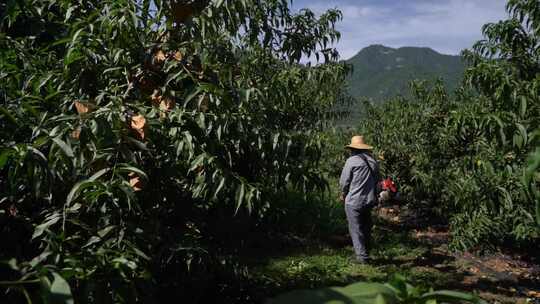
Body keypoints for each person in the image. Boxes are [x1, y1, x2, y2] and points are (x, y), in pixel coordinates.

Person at [339, 135, 379, 264]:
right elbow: (377, 180)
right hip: (369, 200)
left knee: (355, 228)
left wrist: (343, 193)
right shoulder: (373, 161)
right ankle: (366, 253)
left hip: (353, 200)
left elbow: (344, 181)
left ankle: (361, 257)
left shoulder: (351, 161)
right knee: (366, 227)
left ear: (353, 149)